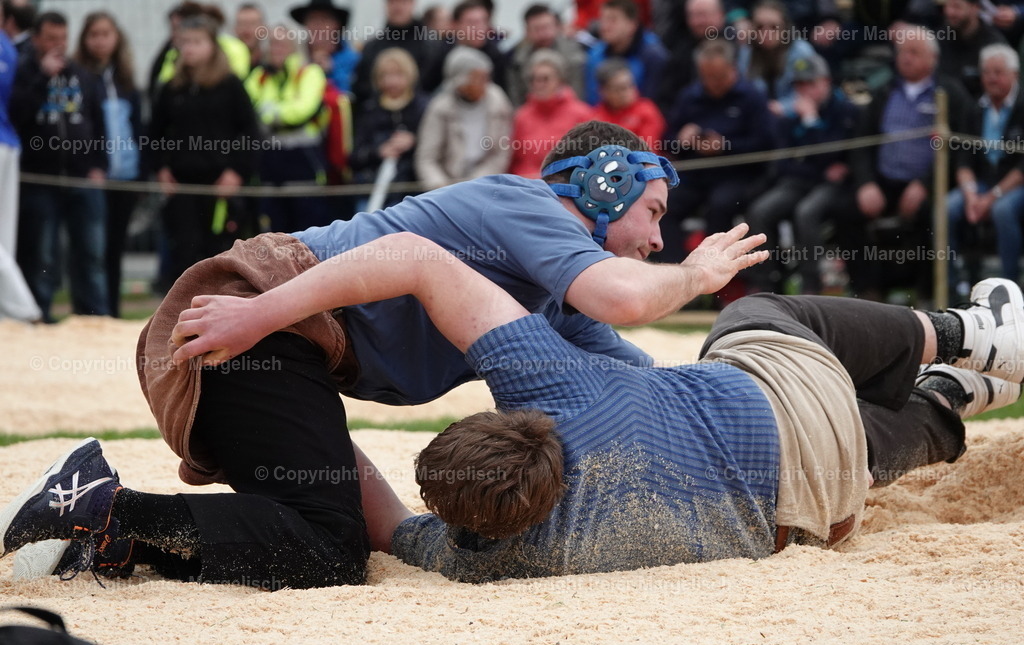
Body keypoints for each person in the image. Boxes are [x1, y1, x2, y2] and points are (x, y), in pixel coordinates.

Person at [8, 236, 1024, 584]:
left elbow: (378, 522)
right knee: (760, 310)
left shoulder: (488, 556)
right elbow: (418, 261)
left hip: (818, 488)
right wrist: (276, 332)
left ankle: (951, 389)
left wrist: (311, 447)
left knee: (910, 433)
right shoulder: (562, 389)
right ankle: (954, 331)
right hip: (772, 388)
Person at [5, 123, 739, 589]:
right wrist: (700, 278)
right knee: (329, 546)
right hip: (247, 316)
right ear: (602, 187)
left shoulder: (551, 303)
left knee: (319, 534)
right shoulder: (530, 205)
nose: (657, 241)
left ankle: (106, 542)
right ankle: (91, 505)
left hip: (277, 339)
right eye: (653, 214)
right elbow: (625, 298)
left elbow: (643, 379)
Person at [848, 27, 970, 301]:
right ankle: (867, 290)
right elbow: (860, 142)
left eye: (914, 53)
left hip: (931, 183)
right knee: (847, 211)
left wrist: (925, 185)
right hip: (884, 180)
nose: (906, 58)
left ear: (932, 59)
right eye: (902, 52)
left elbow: (959, 148)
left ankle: (927, 293)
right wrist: (866, 183)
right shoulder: (884, 91)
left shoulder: (950, 93)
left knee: (932, 216)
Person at [148, 15, 260, 290]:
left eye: (196, 42)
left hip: (220, 186)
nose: (189, 48)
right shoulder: (171, 88)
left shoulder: (230, 86)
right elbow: (154, 134)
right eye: (184, 42)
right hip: (182, 185)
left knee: (219, 253)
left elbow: (250, 133)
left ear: (212, 45)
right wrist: (160, 168)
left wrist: (237, 172)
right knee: (184, 252)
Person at [12, 11, 109, 322]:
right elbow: (16, 115)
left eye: (63, 38)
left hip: (82, 177)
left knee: (91, 253)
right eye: (51, 38)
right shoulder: (23, 71)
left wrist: (100, 164)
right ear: (37, 38)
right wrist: (42, 77)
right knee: (42, 255)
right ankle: (39, 317)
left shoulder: (82, 75)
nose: (58, 45)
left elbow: (98, 122)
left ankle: (94, 317)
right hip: (39, 180)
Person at [743, 54, 860, 294]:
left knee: (807, 212)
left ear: (826, 81)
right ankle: (766, 284)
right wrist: (816, 164)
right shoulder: (789, 116)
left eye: (810, 84)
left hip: (835, 187)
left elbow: (840, 157)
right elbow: (785, 162)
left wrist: (811, 122)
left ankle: (811, 285)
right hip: (801, 182)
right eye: (799, 85)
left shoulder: (846, 110)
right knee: (760, 210)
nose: (804, 91)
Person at [659, 39, 776, 265]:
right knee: (665, 205)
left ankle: (716, 276)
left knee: (720, 206)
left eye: (719, 76)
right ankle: (675, 272)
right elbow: (667, 141)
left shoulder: (751, 97)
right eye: (706, 77)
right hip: (698, 173)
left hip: (739, 174)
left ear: (733, 70)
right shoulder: (690, 96)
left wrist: (725, 146)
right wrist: (682, 140)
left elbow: (766, 144)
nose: (712, 83)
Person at [74, 11, 143, 319]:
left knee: (114, 249)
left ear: (117, 38)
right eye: (94, 34)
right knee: (90, 250)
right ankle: (90, 311)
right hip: (94, 176)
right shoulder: (78, 76)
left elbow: (139, 127)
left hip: (126, 176)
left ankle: (112, 312)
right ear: (85, 39)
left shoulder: (126, 79)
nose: (100, 41)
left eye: (106, 34)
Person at [947, 44, 1024, 291]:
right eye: (987, 72)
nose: (991, 78)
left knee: (1002, 211)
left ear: (1015, 75)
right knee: (948, 207)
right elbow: (964, 161)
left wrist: (991, 198)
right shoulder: (975, 109)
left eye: (998, 72)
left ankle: (1008, 285)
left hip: (1014, 185)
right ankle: (950, 283)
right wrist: (971, 196)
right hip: (982, 185)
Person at [245, 25, 331, 233]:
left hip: (303, 164)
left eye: (283, 44)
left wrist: (268, 113)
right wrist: (276, 113)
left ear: (295, 47)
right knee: (271, 232)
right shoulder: (260, 76)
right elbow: (244, 108)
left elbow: (302, 110)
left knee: (307, 231)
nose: (277, 49)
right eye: (273, 44)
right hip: (269, 165)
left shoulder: (309, 72)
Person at [414, 46, 513, 190]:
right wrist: (440, 186)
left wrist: (476, 183)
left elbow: (501, 153)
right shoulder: (440, 108)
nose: (486, 84)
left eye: (487, 77)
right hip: (446, 187)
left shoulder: (498, 101)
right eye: (479, 78)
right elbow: (426, 158)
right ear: (461, 81)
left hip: (485, 184)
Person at [350, 47, 428, 209]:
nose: (391, 82)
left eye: (398, 74)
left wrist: (415, 142)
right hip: (373, 190)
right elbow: (354, 157)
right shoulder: (369, 110)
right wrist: (379, 151)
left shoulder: (424, 108)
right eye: (385, 75)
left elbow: (435, 150)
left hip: (412, 191)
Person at [0, 0, 39, 322]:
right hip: (9, 143)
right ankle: (12, 312)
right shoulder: (8, 46)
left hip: (3, 141)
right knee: (4, 238)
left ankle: (22, 308)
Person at [507, 49, 592, 178]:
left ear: (560, 80)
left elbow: (589, 159)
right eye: (533, 79)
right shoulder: (521, 117)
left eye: (545, 79)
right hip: (525, 186)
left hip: (565, 187)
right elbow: (511, 161)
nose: (538, 84)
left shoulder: (582, 114)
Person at [350, 0, 442, 107]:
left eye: (403, 2)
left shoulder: (432, 46)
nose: (398, 7)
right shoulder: (372, 47)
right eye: (393, 2)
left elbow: (434, 83)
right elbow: (362, 85)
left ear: (413, 3)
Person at [735, 0, 819, 116]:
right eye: (760, 27)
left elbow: (811, 93)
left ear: (785, 27)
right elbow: (742, 91)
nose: (766, 32)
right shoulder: (746, 52)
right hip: (758, 119)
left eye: (774, 27)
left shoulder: (801, 52)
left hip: (795, 118)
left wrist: (782, 107)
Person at [584, 0, 668, 105]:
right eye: (602, 20)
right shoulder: (595, 55)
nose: (605, 27)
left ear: (632, 25)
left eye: (613, 20)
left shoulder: (653, 56)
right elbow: (592, 99)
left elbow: (654, 102)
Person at [506, 4, 587, 107]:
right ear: (527, 31)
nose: (544, 34)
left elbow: (579, 93)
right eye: (537, 29)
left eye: (547, 27)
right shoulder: (517, 60)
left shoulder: (574, 53)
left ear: (557, 26)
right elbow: (516, 98)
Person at [422, 0, 509, 94]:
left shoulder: (496, 56)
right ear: (455, 25)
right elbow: (426, 89)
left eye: (483, 21)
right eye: (472, 22)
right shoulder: (441, 53)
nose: (479, 28)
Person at [938, 0, 1008, 100]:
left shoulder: (994, 45)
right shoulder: (940, 38)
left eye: (957, 7)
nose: (950, 12)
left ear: (975, 8)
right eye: (947, 6)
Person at [591, 58, 665, 148]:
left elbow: (647, 149)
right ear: (603, 91)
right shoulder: (595, 117)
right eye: (620, 88)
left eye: (630, 85)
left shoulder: (646, 111)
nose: (627, 92)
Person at [289, 0, 358, 94]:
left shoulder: (354, 62)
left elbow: (353, 97)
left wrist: (332, 72)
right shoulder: (293, 59)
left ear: (337, 25)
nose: (318, 25)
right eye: (312, 19)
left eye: (324, 19)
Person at [233, 3, 266, 74]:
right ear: (235, 29)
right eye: (242, 24)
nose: (247, 30)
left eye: (252, 24)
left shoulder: (274, 66)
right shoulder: (226, 67)